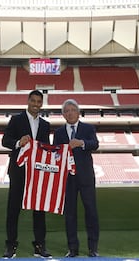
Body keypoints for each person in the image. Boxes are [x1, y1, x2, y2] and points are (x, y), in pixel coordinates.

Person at [1, 90, 52, 258]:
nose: (36, 104)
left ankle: (40, 245)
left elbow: (46, 148)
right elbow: (5, 141)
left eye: (39, 102)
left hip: (38, 173)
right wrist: (18, 142)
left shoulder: (45, 125)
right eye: (33, 101)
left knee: (39, 211)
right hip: (19, 171)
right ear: (28, 101)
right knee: (13, 209)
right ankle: (10, 245)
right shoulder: (16, 120)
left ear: (42, 104)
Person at [53, 98, 100, 258]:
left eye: (73, 110)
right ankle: (72, 249)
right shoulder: (58, 133)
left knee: (91, 212)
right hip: (67, 179)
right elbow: (56, 153)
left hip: (86, 177)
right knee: (70, 214)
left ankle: (93, 248)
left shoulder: (88, 128)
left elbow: (95, 144)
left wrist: (81, 143)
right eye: (66, 111)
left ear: (78, 113)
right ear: (63, 115)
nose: (70, 113)